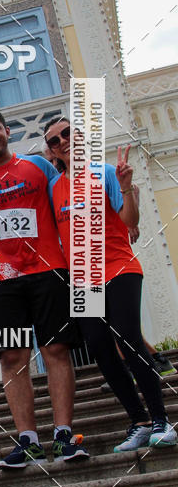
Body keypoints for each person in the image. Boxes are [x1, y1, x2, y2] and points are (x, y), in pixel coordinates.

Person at [0, 107, 88, 469]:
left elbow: (67, 198)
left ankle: (64, 435)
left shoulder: (38, 167)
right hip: (2, 280)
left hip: (49, 272)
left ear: (7, 130)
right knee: (13, 358)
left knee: (56, 349)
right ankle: (27, 440)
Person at [44, 116, 177, 449]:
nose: (62, 141)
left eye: (68, 133)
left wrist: (127, 186)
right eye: (54, 140)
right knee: (101, 349)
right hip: (83, 279)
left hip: (118, 267)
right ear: (53, 152)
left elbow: (130, 221)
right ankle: (139, 422)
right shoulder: (53, 188)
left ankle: (162, 421)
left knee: (128, 339)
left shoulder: (104, 172)